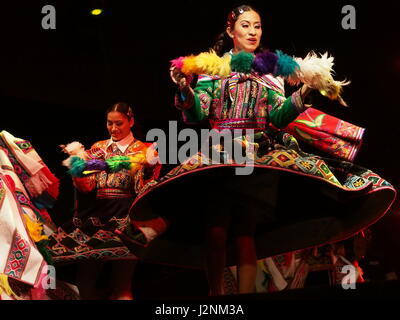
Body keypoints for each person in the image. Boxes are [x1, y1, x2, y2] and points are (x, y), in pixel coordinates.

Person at [126, 4, 396, 297]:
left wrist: (305, 92)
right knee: (215, 230)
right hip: (221, 154)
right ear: (230, 31)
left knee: (245, 232)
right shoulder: (211, 68)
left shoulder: (272, 70)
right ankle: (215, 296)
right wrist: (185, 90)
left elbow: (278, 118)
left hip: (259, 154)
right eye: (245, 25)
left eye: (257, 25)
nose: (252, 31)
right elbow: (196, 115)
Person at [46, 102, 160, 299]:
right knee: (86, 280)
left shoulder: (143, 150)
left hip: (125, 218)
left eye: (119, 123)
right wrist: (77, 166)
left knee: (122, 284)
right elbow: (87, 187)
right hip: (96, 217)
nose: (113, 129)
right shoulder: (98, 148)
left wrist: (149, 167)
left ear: (131, 121)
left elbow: (143, 189)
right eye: (110, 124)